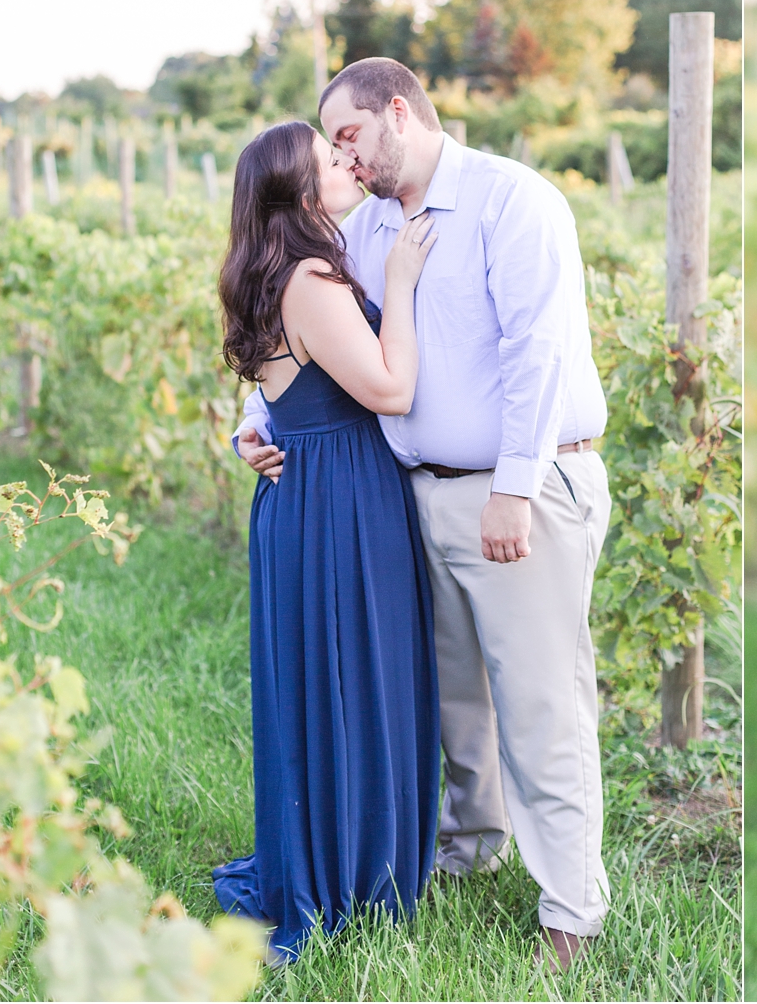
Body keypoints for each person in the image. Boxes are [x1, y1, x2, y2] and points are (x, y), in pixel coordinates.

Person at [235, 57, 611, 971]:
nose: (345, 157)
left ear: (397, 113)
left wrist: (515, 487)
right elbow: (317, 341)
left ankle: (570, 908)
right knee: (454, 702)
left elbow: (539, 351)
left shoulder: (511, 201)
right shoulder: (368, 230)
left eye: (351, 136)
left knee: (539, 703)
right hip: (413, 495)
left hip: (515, 486)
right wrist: (255, 422)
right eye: (334, 147)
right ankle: (468, 848)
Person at [213, 120, 441, 962]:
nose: (345, 162)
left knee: (321, 679)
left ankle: (331, 848)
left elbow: (280, 394)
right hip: (339, 497)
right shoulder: (312, 276)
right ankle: (352, 869)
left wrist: (249, 432)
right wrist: (402, 282)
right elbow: (388, 386)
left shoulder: (267, 271)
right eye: (327, 158)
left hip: (303, 492)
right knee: (353, 675)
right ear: (301, 194)